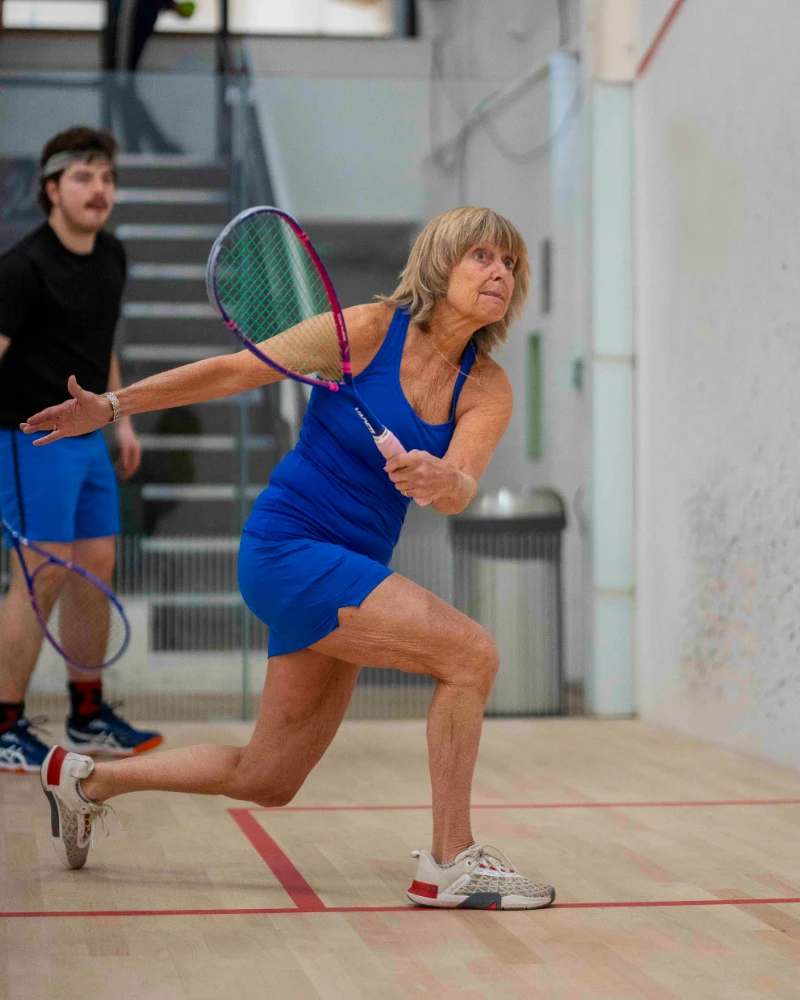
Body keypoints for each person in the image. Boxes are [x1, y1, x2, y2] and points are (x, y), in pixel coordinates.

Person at [26, 206, 556, 910]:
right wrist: (115, 405)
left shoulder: (486, 386)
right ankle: (451, 861)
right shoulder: (366, 331)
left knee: (267, 778)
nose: (500, 272)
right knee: (472, 656)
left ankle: (86, 780)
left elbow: (460, 484)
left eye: (510, 264)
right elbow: (232, 371)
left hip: (350, 571)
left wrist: (441, 480)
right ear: (440, 264)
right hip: (289, 548)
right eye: (482, 256)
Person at [0, 127, 163, 773]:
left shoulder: (112, 256)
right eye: (83, 178)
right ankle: (5, 724)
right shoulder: (20, 268)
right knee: (41, 578)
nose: (99, 190)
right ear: (50, 190)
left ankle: (88, 713)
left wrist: (120, 416)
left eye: (107, 178)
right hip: (31, 438)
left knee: (95, 568)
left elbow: (100, 343)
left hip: (91, 438)